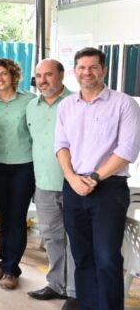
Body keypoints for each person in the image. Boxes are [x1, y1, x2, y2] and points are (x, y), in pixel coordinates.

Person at [56, 47, 140, 310]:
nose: (87, 72)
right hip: (73, 186)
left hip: (108, 189)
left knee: (106, 258)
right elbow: (61, 145)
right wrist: (71, 177)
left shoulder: (124, 103)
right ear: (75, 71)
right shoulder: (66, 105)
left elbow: (127, 150)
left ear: (104, 70)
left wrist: (93, 178)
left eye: (93, 67)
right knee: (82, 256)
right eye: (82, 67)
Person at [0, 57, 35, 290]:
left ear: (13, 75)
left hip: (24, 165)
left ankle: (12, 269)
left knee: (17, 215)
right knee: (5, 214)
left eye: (3, 73)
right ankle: (4, 261)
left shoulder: (29, 101)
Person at [26, 59, 76, 305]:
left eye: (48, 75)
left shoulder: (76, 102)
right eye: (38, 76)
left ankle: (75, 291)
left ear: (62, 76)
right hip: (44, 183)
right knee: (53, 238)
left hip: (73, 183)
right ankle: (57, 284)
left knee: (75, 240)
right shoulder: (31, 107)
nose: (43, 81)